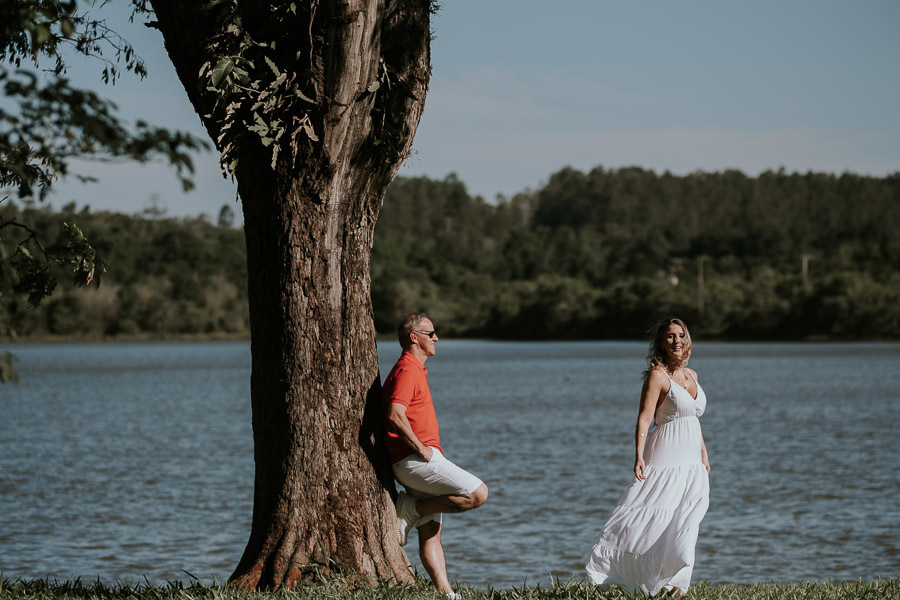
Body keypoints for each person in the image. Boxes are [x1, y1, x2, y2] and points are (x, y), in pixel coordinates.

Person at [585, 317, 710, 597]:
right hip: (665, 457)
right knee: (653, 516)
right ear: (661, 343)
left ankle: (676, 582)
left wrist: (704, 454)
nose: (676, 341)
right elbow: (644, 418)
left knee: (687, 519)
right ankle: (629, 574)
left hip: (692, 462)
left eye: (681, 335)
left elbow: (693, 418)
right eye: (670, 336)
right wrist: (639, 456)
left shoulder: (692, 375)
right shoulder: (657, 376)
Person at [383, 313, 489, 599]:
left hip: (419, 461)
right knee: (478, 493)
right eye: (431, 333)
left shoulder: (415, 368)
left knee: (431, 532)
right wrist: (421, 450)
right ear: (414, 337)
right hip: (415, 460)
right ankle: (412, 509)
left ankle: (446, 594)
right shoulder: (407, 369)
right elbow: (395, 415)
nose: (436, 338)